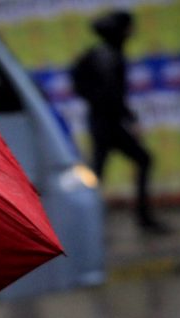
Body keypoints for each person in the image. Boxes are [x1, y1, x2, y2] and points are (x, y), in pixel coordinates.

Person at [71, 9, 169, 234]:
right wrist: (129, 119)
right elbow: (111, 93)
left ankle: (91, 225)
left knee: (100, 174)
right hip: (108, 123)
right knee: (134, 163)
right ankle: (139, 220)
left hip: (102, 122)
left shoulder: (99, 53)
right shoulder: (109, 56)